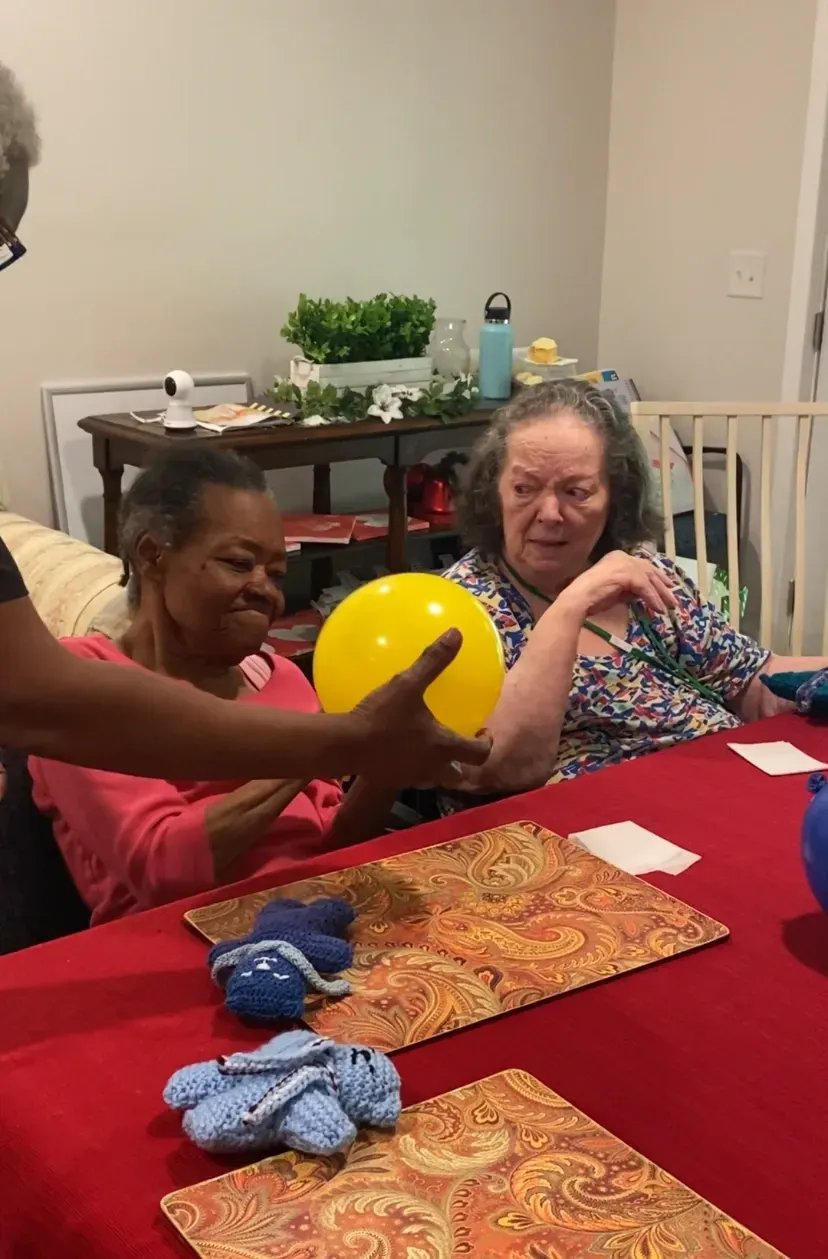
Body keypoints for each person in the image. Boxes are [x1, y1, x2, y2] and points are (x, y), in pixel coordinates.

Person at [0, 61, 488, 787]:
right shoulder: (106, 661)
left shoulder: (276, 680)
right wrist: (347, 743)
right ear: (151, 556)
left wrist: (349, 752)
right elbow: (48, 701)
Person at [28, 448, 431, 923]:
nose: (267, 589)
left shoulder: (280, 677)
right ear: (152, 555)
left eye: (277, 573)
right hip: (179, 948)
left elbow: (332, 845)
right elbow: (162, 869)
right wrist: (327, 745)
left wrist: (388, 759)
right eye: (240, 563)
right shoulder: (85, 684)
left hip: (320, 921)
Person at [443, 379, 826, 798]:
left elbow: (754, 680)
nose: (549, 513)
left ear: (615, 500)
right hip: (587, 830)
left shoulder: (644, 574)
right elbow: (504, 769)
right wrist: (573, 604)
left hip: (724, 792)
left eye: (576, 492)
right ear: (493, 495)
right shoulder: (461, 610)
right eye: (524, 489)